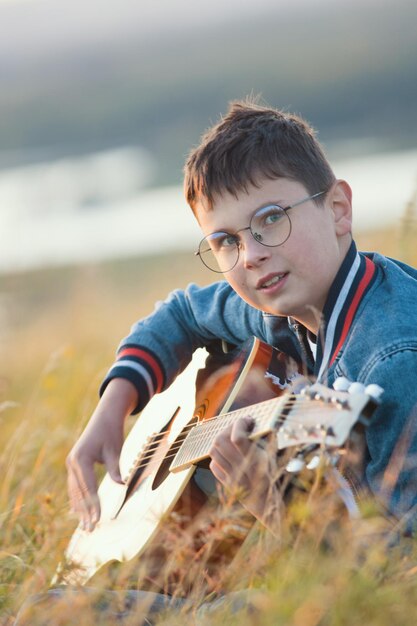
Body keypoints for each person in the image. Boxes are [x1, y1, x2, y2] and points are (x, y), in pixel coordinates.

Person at [64, 99, 417, 620]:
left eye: (271, 219)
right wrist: (115, 404)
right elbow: (184, 312)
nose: (250, 255)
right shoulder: (284, 307)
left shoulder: (391, 363)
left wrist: (274, 502)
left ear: (338, 209)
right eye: (225, 241)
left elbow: (392, 586)